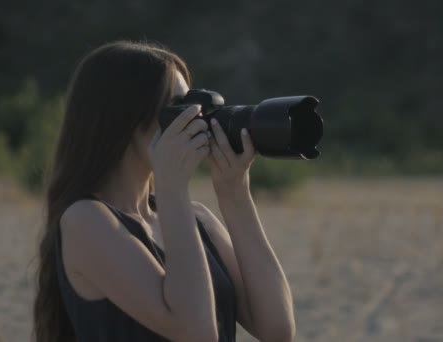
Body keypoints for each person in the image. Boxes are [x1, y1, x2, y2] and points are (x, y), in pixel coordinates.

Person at [33, 41, 295, 342]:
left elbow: (277, 329)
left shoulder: (197, 220)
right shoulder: (86, 221)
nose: (195, 118)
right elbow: (196, 332)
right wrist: (172, 187)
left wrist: (235, 194)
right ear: (124, 117)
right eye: (178, 107)